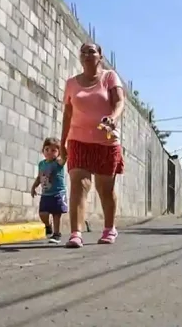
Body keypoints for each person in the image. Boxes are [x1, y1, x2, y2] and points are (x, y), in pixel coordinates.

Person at [61, 43, 126, 248]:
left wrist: (113, 118)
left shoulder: (109, 77)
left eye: (92, 51)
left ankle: (109, 228)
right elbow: (68, 113)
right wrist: (63, 141)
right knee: (79, 185)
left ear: (100, 56)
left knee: (105, 188)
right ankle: (75, 233)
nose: (87, 54)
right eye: (83, 52)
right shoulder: (72, 83)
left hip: (106, 140)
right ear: (79, 57)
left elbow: (119, 101)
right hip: (78, 140)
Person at [30, 137, 68, 244]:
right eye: (47, 149)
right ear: (43, 151)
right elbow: (39, 177)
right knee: (43, 213)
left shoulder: (58, 162)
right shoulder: (42, 164)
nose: (49, 152)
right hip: (46, 194)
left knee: (56, 214)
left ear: (58, 153)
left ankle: (56, 234)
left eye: (53, 150)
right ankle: (47, 225)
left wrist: (64, 148)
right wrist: (34, 187)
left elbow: (65, 158)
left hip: (58, 193)